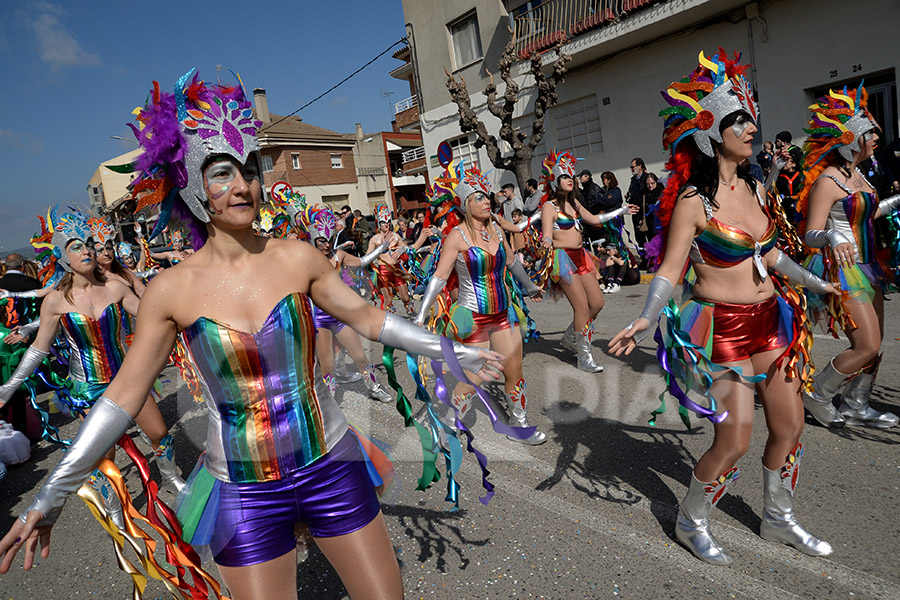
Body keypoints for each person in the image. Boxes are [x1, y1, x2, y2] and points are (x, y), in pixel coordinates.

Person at [0, 70, 504, 600]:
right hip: (244, 492)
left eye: (249, 169)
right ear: (195, 188)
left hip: (330, 464)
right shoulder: (170, 290)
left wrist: (449, 347)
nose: (242, 184)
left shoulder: (296, 257)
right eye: (222, 172)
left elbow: (370, 319)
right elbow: (124, 397)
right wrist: (51, 493)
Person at [610, 49, 837, 566]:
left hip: (772, 322)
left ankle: (778, 519)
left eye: (750, 115)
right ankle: (691, 520)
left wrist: (815, 284)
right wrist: (647, 314)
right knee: (734, 438)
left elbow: (771, 252)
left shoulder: (757, 186)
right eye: (737, 120)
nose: (751, 126)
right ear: (712, 134)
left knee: (790, 426)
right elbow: (670, 268)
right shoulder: (694, 200)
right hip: (724, 329)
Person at [0, 209, 186, 519]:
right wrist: (8, 388)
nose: (86, 250)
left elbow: (152, 317)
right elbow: (38, 350)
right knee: (104, 453)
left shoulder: (114, 287)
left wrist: (191, 320)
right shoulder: (56, 300)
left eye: (87, 243)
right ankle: (114, 502)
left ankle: (172, 478)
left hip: (128, 378)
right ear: (61, 256)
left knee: (159, 432)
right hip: (88, 387)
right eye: (76, 246)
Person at [415, 163, 546, 444]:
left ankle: (518, 422)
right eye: (478, 198)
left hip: (504, 313)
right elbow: (439, 277)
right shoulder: (457, 236)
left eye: (486, 197)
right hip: (474, 316)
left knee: (514, 367)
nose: (486, 202)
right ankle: (450, 420)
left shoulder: (496, 229)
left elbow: (511, 262)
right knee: (477, 376)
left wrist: (531, 285)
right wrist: (422, 312)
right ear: (464, 205)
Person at [797, 84, 900, 429]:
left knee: (876, 342)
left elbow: (867, 216)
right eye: (869, 132)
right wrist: (831, 233)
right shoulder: (828, 180)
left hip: (870, 266)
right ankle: (817, 393)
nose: (875, 138)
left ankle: (857, 402)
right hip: (844, 269)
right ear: (850, 138)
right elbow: (811, 232)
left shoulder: (858, 175)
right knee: (866, 344)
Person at [540, 151, 638, 373]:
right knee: (581, 307)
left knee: (597, 304)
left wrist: (620, 210)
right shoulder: (550, 207)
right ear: (555, 182)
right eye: (564, 176)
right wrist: (546, 242)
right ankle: (584, 357)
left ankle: (569, 338)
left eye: (570, 177)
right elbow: (547, 234)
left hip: (581, 256)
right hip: (562, 259)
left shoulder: (575, 202)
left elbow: (594, 219)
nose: (569, 179)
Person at [304, 205, 393, 403]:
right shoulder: (307, 260)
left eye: (328, 241)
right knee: (327, 366)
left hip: (340, 315)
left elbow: (362, 262)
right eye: (321, 242)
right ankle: (329, 401)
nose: (326, 246)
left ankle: (373, 387)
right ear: (313, 241)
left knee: (360, 356)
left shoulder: (339, 256)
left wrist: (381, 249)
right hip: (319, 319)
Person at [368, 204, 415, 316]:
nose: (387, 224)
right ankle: (388, 321)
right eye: (384, 222)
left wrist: (401, 249)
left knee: (405, 297)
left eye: (388, 221)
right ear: (379, 224)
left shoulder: (396, 236)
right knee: (388, 300)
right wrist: (380, 249)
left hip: (397, 269)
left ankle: (410, 311)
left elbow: (406, 249)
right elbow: (367, 255)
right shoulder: (374, 239)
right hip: (384, 271)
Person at [627, 157, 655, 248]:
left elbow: (652, 194)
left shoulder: (648, 178)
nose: (631, 169)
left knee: (651, 239)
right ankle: (644, 260)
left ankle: (653, 260)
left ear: (639, 166)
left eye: (632, 167)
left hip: (646, 214)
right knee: (640, 240)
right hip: (636, 214)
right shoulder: (633, 180)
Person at [775, 147, 805, 224]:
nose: (784, 163)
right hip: (784, 207)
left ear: (794, 164)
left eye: (787, 161)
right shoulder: (779, 176)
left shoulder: (800, 176)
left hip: (797, 207)